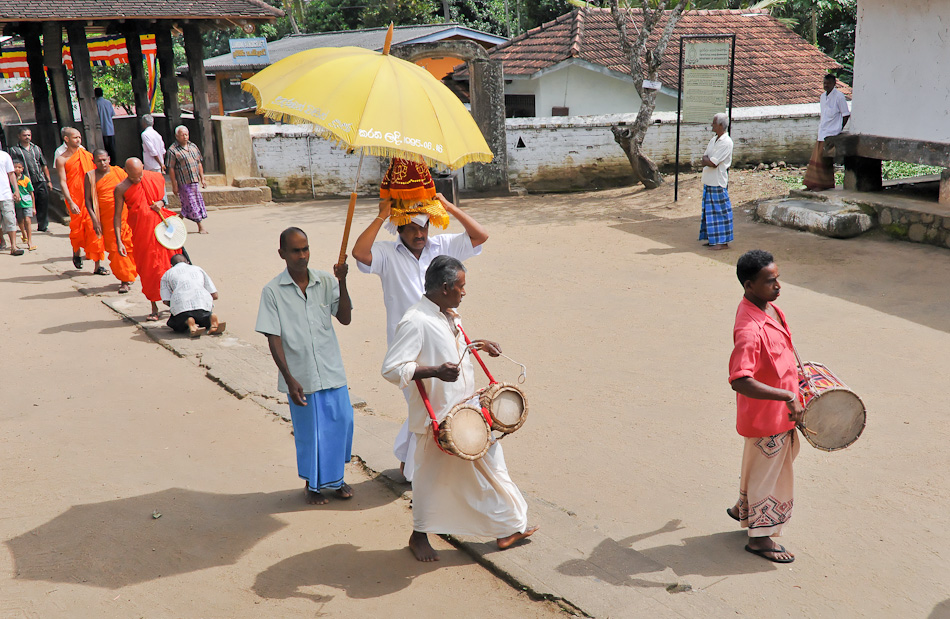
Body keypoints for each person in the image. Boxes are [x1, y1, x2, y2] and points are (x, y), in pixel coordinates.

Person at [381, 255, 538, 562]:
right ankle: (419, 535)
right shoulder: (415, 320)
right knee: (430, 479)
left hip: (469, 412)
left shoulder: (449, 314)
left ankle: (509, 527)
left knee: (494, 465)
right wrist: (435, 371)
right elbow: (391, 368)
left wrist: (479, 343)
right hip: (436, 418)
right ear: (445, 287)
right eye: (461, 286)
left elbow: (451, 346)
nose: (465, 292)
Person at [352, 157, 488, 482]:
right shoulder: (386, 254)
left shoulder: (440, 245)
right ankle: (416, 470)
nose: (420, 233)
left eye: (424, 225)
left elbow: (480, 236)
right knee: (422, 405)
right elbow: (359, 253)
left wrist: (445, 204)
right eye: (412, 226)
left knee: (433, 405)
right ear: (400, 227)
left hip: (443, 338)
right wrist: (382, 214)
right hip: (408, 346)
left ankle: (410, 465)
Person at [256, 227, 355, 505]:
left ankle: (336, 479)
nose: (302, 256)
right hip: (301, 375)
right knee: (310, 432)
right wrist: (289, 377)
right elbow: (273, 337)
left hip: (331, 368)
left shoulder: (326, 281)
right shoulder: (272, 291)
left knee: (341, 424)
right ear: (282, 254)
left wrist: (342, 281)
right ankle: (312, 485)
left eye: (306, 249)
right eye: (296, 251)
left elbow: (345, 318)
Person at [726, 249, 805, 564]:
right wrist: (786, 396)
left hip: (781, 413)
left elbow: (785, 346)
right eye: (770, 281)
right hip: (767, 417)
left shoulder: (771, 310)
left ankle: (742, 509)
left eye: (777, 278)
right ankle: (760, 538)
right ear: (749, 285)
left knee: (763, 466)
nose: (778, 286)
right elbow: (739, 379)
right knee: (770, 474)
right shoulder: (749, 329)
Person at [114, 158, 181, 321]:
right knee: (149, 270)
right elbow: (116, 216)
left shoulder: (155, 178)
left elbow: (164, 200)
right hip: (142, 235)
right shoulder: (121, 188)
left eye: (139, 176)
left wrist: (160, 202)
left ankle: (177, 306)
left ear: (143, 167)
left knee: (170, 267)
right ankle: (154, 307)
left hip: (163, 233)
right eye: (134, 177)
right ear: (125, 171)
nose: (138, 180)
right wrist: (119, 241)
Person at [55, 127, 107, 274]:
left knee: (95, 228)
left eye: (79, 137)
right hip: (75, 199)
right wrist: (70, 202)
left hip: (91, 198)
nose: (78, 140)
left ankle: (98, 266)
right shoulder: (62, 159)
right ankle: (76, 252)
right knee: (78, 229)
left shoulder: (87, 156)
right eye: (75, 137)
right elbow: (63, 182)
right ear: (66, 139)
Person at [85, 149, 137, 293]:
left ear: (109, 159)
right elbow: (88, 201)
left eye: (104, 160)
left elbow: (132, 189)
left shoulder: (118, 172)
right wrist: (95, 220)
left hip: (125, 215)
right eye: (99, 161)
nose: (102, 163)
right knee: (115, 249)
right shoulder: (90, 176)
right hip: (106, 219)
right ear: (93, 162)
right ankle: (124, 279)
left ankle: (128, 275)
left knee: (129, 245)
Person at [160, 254, 226, 337]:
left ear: (171, 265)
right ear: (187, 262)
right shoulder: (198, 269)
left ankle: (189, 321)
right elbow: (215, 295)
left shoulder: (167, 274)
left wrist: (176, 306)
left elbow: (166, 300)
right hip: (202, 307)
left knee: (173, 323)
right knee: (203, 318)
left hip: (182, 309)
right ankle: (211, 317)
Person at [804, 74, 850, 191]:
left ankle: (823, 185)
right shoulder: (822, 97)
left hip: (832, 133)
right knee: (816, 159)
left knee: (824, 159)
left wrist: (839, 129)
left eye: (828, 83)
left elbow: (846, 114)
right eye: (824, 83)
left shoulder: (839, 97)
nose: (826, 85)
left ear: (834, 84)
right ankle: (812, 184)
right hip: (822, 132)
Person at [699, 112, 734, 251]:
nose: (711, 125)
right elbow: (705, 157)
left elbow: (712, 162)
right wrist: (707, 161)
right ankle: (714, 239)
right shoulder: (714, 140)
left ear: (720, 125)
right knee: (710, 212)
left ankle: (723, 242)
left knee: (720, 212)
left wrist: (707, 161)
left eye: (714, 123)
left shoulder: (726, 142)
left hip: (718, 181)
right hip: (709, 180)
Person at [8, 127, 51, 232]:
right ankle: (25, 228)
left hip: (39, 179)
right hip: (24, 182)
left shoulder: (36, 148)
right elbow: (12, 168)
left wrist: (48, 180)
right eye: (24, 135)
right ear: (19, 136)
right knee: (24, 205)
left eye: (29, 135)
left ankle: (43, 226)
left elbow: (43, 164)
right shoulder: (14, 150)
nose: (27, 137)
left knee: (43, 202)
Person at [166, 126, 208, 233]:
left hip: (194, 181)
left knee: (186, 207)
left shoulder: (193, 146)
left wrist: (202, 178)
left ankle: (172, 227)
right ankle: (200, 226)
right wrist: (174, 184)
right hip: (183, 182)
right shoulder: (173, 150)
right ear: (177, 136)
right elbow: (170, 168)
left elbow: (199, 163)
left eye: (186, 134)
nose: (185, 137)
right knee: (191, 203)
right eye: (182, 135)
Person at [0, 147, 23, 256]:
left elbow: (11, 174)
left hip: (5, 194)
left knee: (10, 219)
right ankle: (2, 242)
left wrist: (16, 190)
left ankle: (13, 246)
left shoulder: (5, 156)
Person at [13, 161, 35, 251]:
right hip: (17, 204)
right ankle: (23, 233)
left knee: (27, 220)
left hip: (27, 203)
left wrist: (33, 207)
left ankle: (30, 241)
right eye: (15, 167)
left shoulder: (26, 179)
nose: (17, 169)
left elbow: (31, 193)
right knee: (20, 221)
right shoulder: (12, 179)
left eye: (19, 167)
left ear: (22, 169)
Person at [94, 87, 117, 162]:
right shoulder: (108, 102)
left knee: (103, 150)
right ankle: (113, 164)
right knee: (112, 149)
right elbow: (112, 114)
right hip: (110, 129)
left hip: (100, 130)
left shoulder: (95, 104)